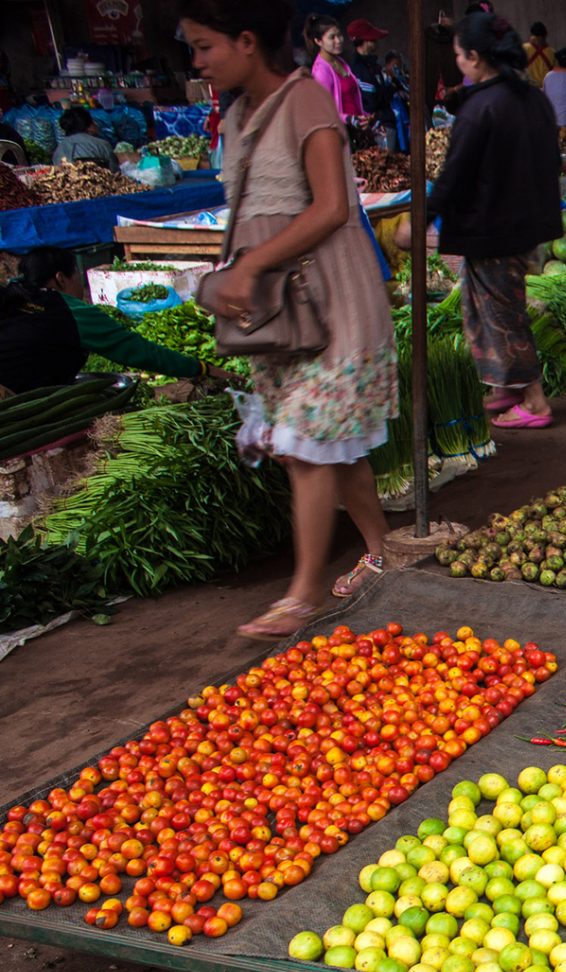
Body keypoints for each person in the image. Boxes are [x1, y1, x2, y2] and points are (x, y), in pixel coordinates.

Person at [181, 0, 395, 639]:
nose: (197, 63)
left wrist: (250, 267)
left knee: (306, 444)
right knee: (327, 445)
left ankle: (303, 593)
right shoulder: (240, 114)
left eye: (204, 47)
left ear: (247, 40)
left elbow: (332, 207)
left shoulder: (306, 101)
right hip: (282, 309)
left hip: (332, 300)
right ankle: (382, 554)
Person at [408, 11, 562, 433]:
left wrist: (420, 220)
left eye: (458, 54)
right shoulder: (531, 97)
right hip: (520, 224)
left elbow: (454, 175)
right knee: (480, 310)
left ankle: (534, 401)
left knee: (503, 316)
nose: (457, 61)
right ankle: (507, 385)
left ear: (475, 57)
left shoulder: (483, 107)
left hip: (496, 229)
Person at [0, 247, 231, 392]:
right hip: (16, 402)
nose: (82, 286)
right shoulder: (69, 311)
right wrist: (201, 368)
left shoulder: (13, 294)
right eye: (78, 277)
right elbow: (138, 351)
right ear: (60, 278)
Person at [305, 14, 366, 126]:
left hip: (358, 130)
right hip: (343, 134)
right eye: (332, 37)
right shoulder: (320, 72)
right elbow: (324, 111)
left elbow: (353, 100)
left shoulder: (341, 62)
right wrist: (349, 119)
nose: (338, 40)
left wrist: (366, 118)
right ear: (318, 41)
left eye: (339, 35)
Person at [50, 108, 115, 167]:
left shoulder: (58, 151)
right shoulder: (102, 145)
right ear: (89, 126)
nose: (96, 125)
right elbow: (115, 173)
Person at [523, 21, 555, 87]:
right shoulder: (552, 52)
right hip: (546, 89)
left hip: (529, 88)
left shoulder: (524, 48)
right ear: (545, 35)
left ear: (531, 34)